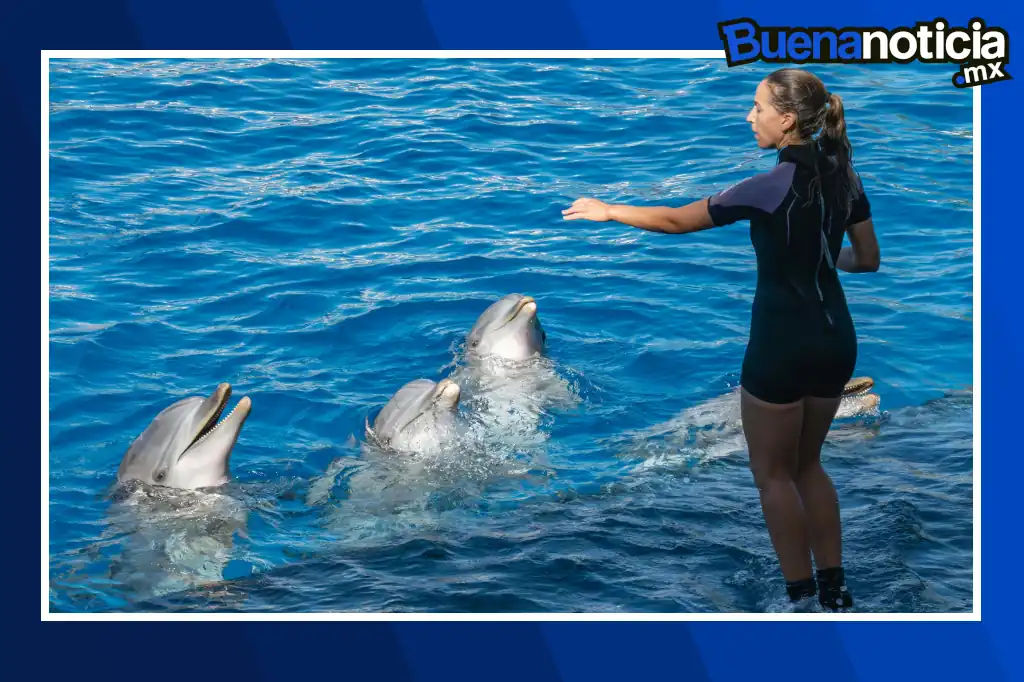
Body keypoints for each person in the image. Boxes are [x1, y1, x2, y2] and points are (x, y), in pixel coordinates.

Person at [561, 68, 880, 611]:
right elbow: (867, 261)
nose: (748, 116)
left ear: (786, 120)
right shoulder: (844, 174)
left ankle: (800, 600)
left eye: (757, 108)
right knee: (810, 466)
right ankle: (836, 590)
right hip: (836, 341)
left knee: (773, 474)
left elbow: (675, 221)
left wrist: (609, 209)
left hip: (780, 346)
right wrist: (826, 260)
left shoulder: (768, 185)